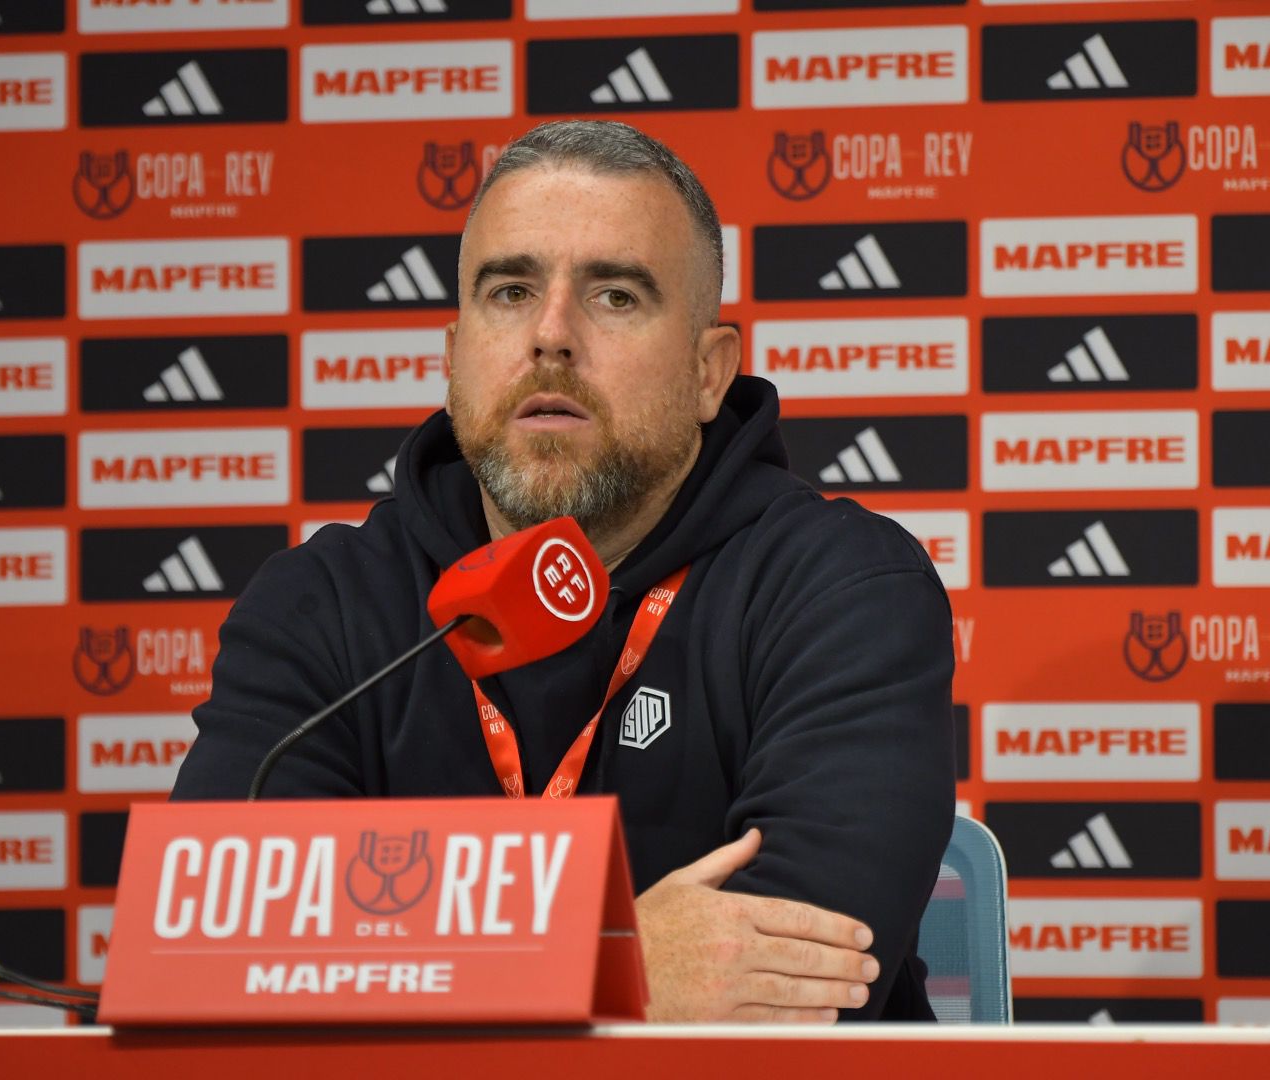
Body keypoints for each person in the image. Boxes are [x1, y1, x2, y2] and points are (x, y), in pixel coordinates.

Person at [172, 120, 956, 1022]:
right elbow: (226, 956)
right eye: (509, 291)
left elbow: (803, 974)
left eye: (615, 296)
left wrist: (418, 967)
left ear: (710, 373)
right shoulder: (321, 604)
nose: (551, 335)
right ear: (454, 355)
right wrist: (604, 962)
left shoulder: (842, 589)